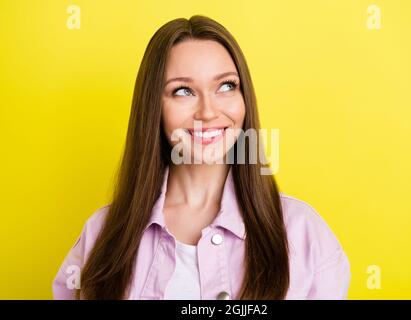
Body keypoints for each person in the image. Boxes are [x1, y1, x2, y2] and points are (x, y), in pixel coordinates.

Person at [52, 15, 351, 300]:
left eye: (226, 86)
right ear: (154, 107)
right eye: (183, 91)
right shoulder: (102, 233)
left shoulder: (304, 233)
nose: (208, 112)